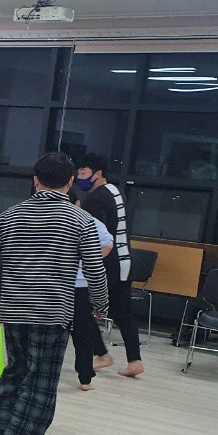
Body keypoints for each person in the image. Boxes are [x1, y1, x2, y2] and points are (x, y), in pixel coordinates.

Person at [0, 152, 108, 435]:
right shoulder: (81, 221)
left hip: (14, 310)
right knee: (40, 380)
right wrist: (100, 305)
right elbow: (95, 270)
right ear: (70, 182)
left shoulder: (10, 216)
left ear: (35, 180)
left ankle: (3, 429)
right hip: (52, 313)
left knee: (16, 370)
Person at [76, 153, 144, 377]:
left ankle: (102, 354)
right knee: (124, 314)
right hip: (125, 262)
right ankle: (134, 361)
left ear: (98, 174)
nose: (79, 177)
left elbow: (98, 237)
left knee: (81, 311)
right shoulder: (117, 191)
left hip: (107, 264)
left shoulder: (94, 199)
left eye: (83, 173)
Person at [69, 199, 113, 391]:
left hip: (77, 284)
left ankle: (85, 377)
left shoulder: (88, 221)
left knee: (82, 331)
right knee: (81, 332)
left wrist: (88, 258)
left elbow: (107, 243)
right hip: (62, 283)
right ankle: (85, 377)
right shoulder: (85, 220)